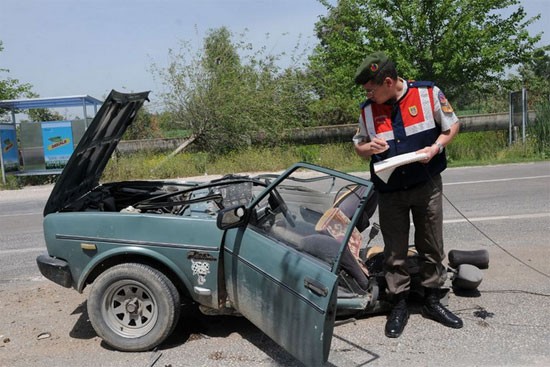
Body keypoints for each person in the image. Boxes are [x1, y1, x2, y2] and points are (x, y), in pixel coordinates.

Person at [352, 51, 462, 338]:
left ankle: (432, 300)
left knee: (431, 245)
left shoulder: (429, 93)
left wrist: (435, 148)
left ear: (388, 81)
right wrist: (369, 148)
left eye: (370, 89)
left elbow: (452, 125)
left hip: (426, 185)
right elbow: (358, 145)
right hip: (390, 191)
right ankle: (398, 303)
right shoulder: (367, 110)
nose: (368, 94)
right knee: (394, 251)